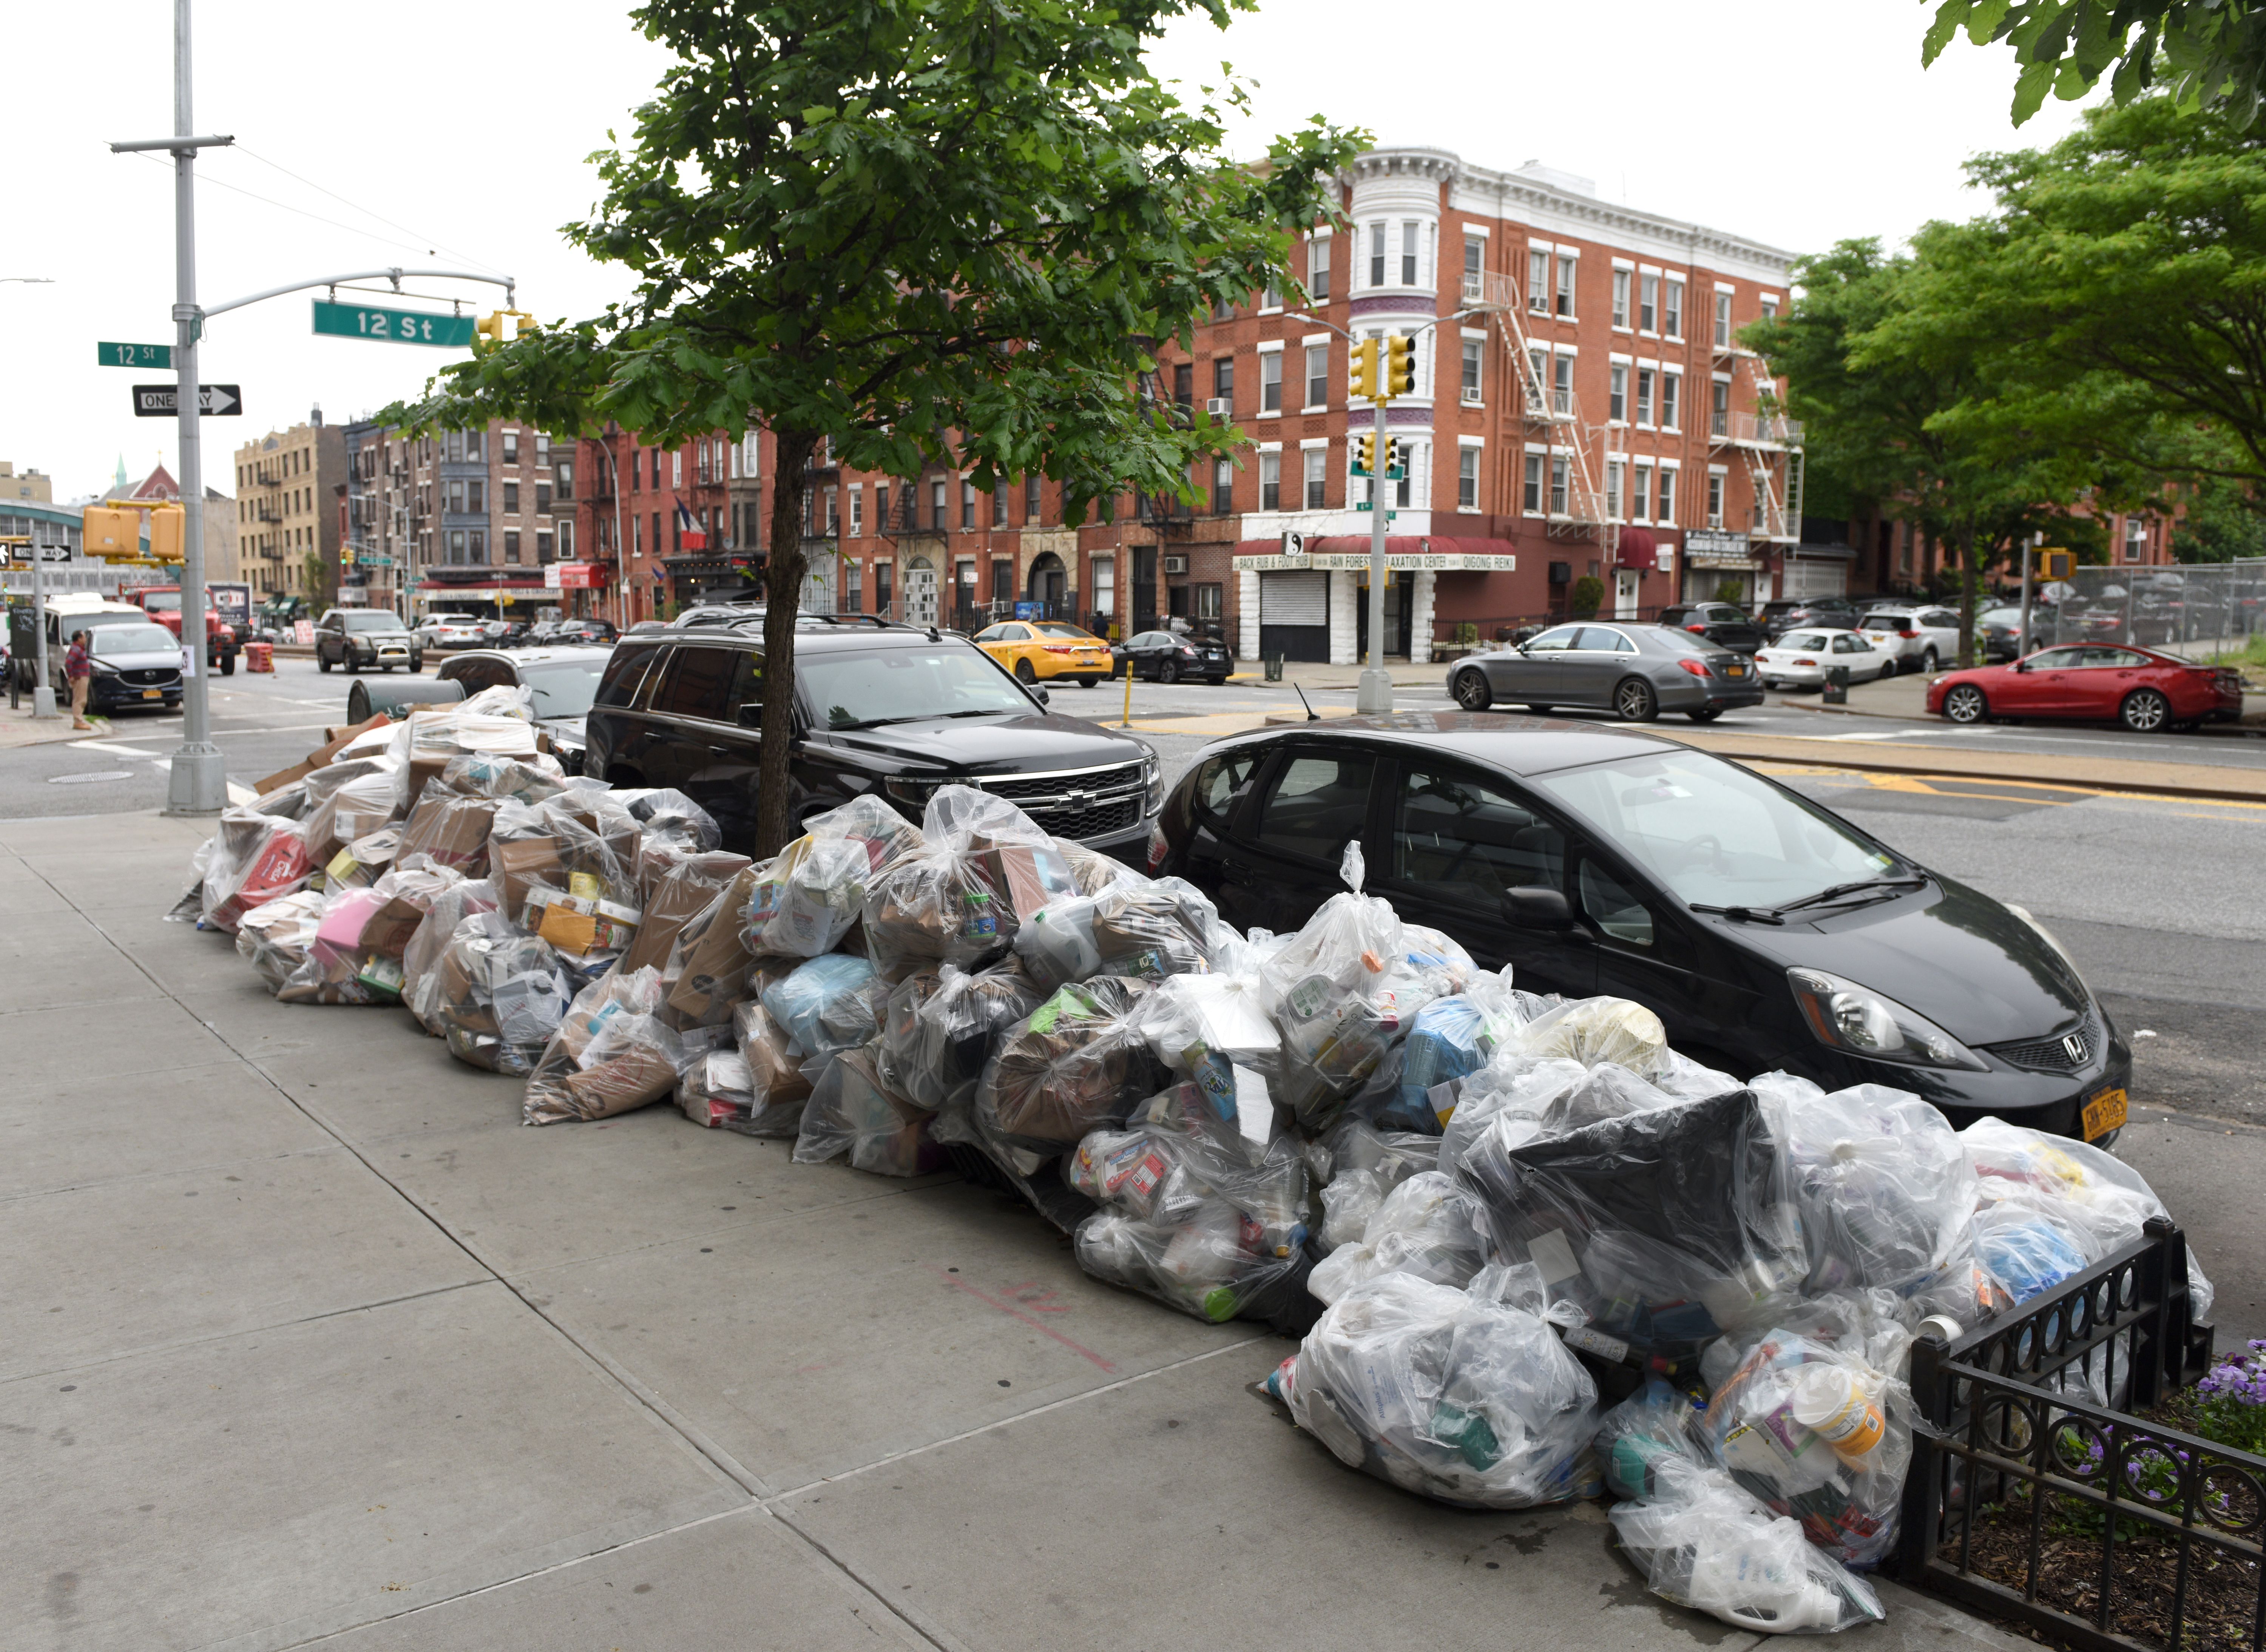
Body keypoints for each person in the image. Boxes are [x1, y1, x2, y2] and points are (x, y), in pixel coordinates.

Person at [65, 627, 93, 730]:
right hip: (79, 678)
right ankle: (78, 721)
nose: (85, 639)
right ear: (79, 639)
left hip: (83, 677)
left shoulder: (79, 649)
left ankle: (79, 720)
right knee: (79, 700)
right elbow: (68, 662)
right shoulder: (76, 649)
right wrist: (71, 676)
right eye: (84, 637)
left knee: (82, 699)